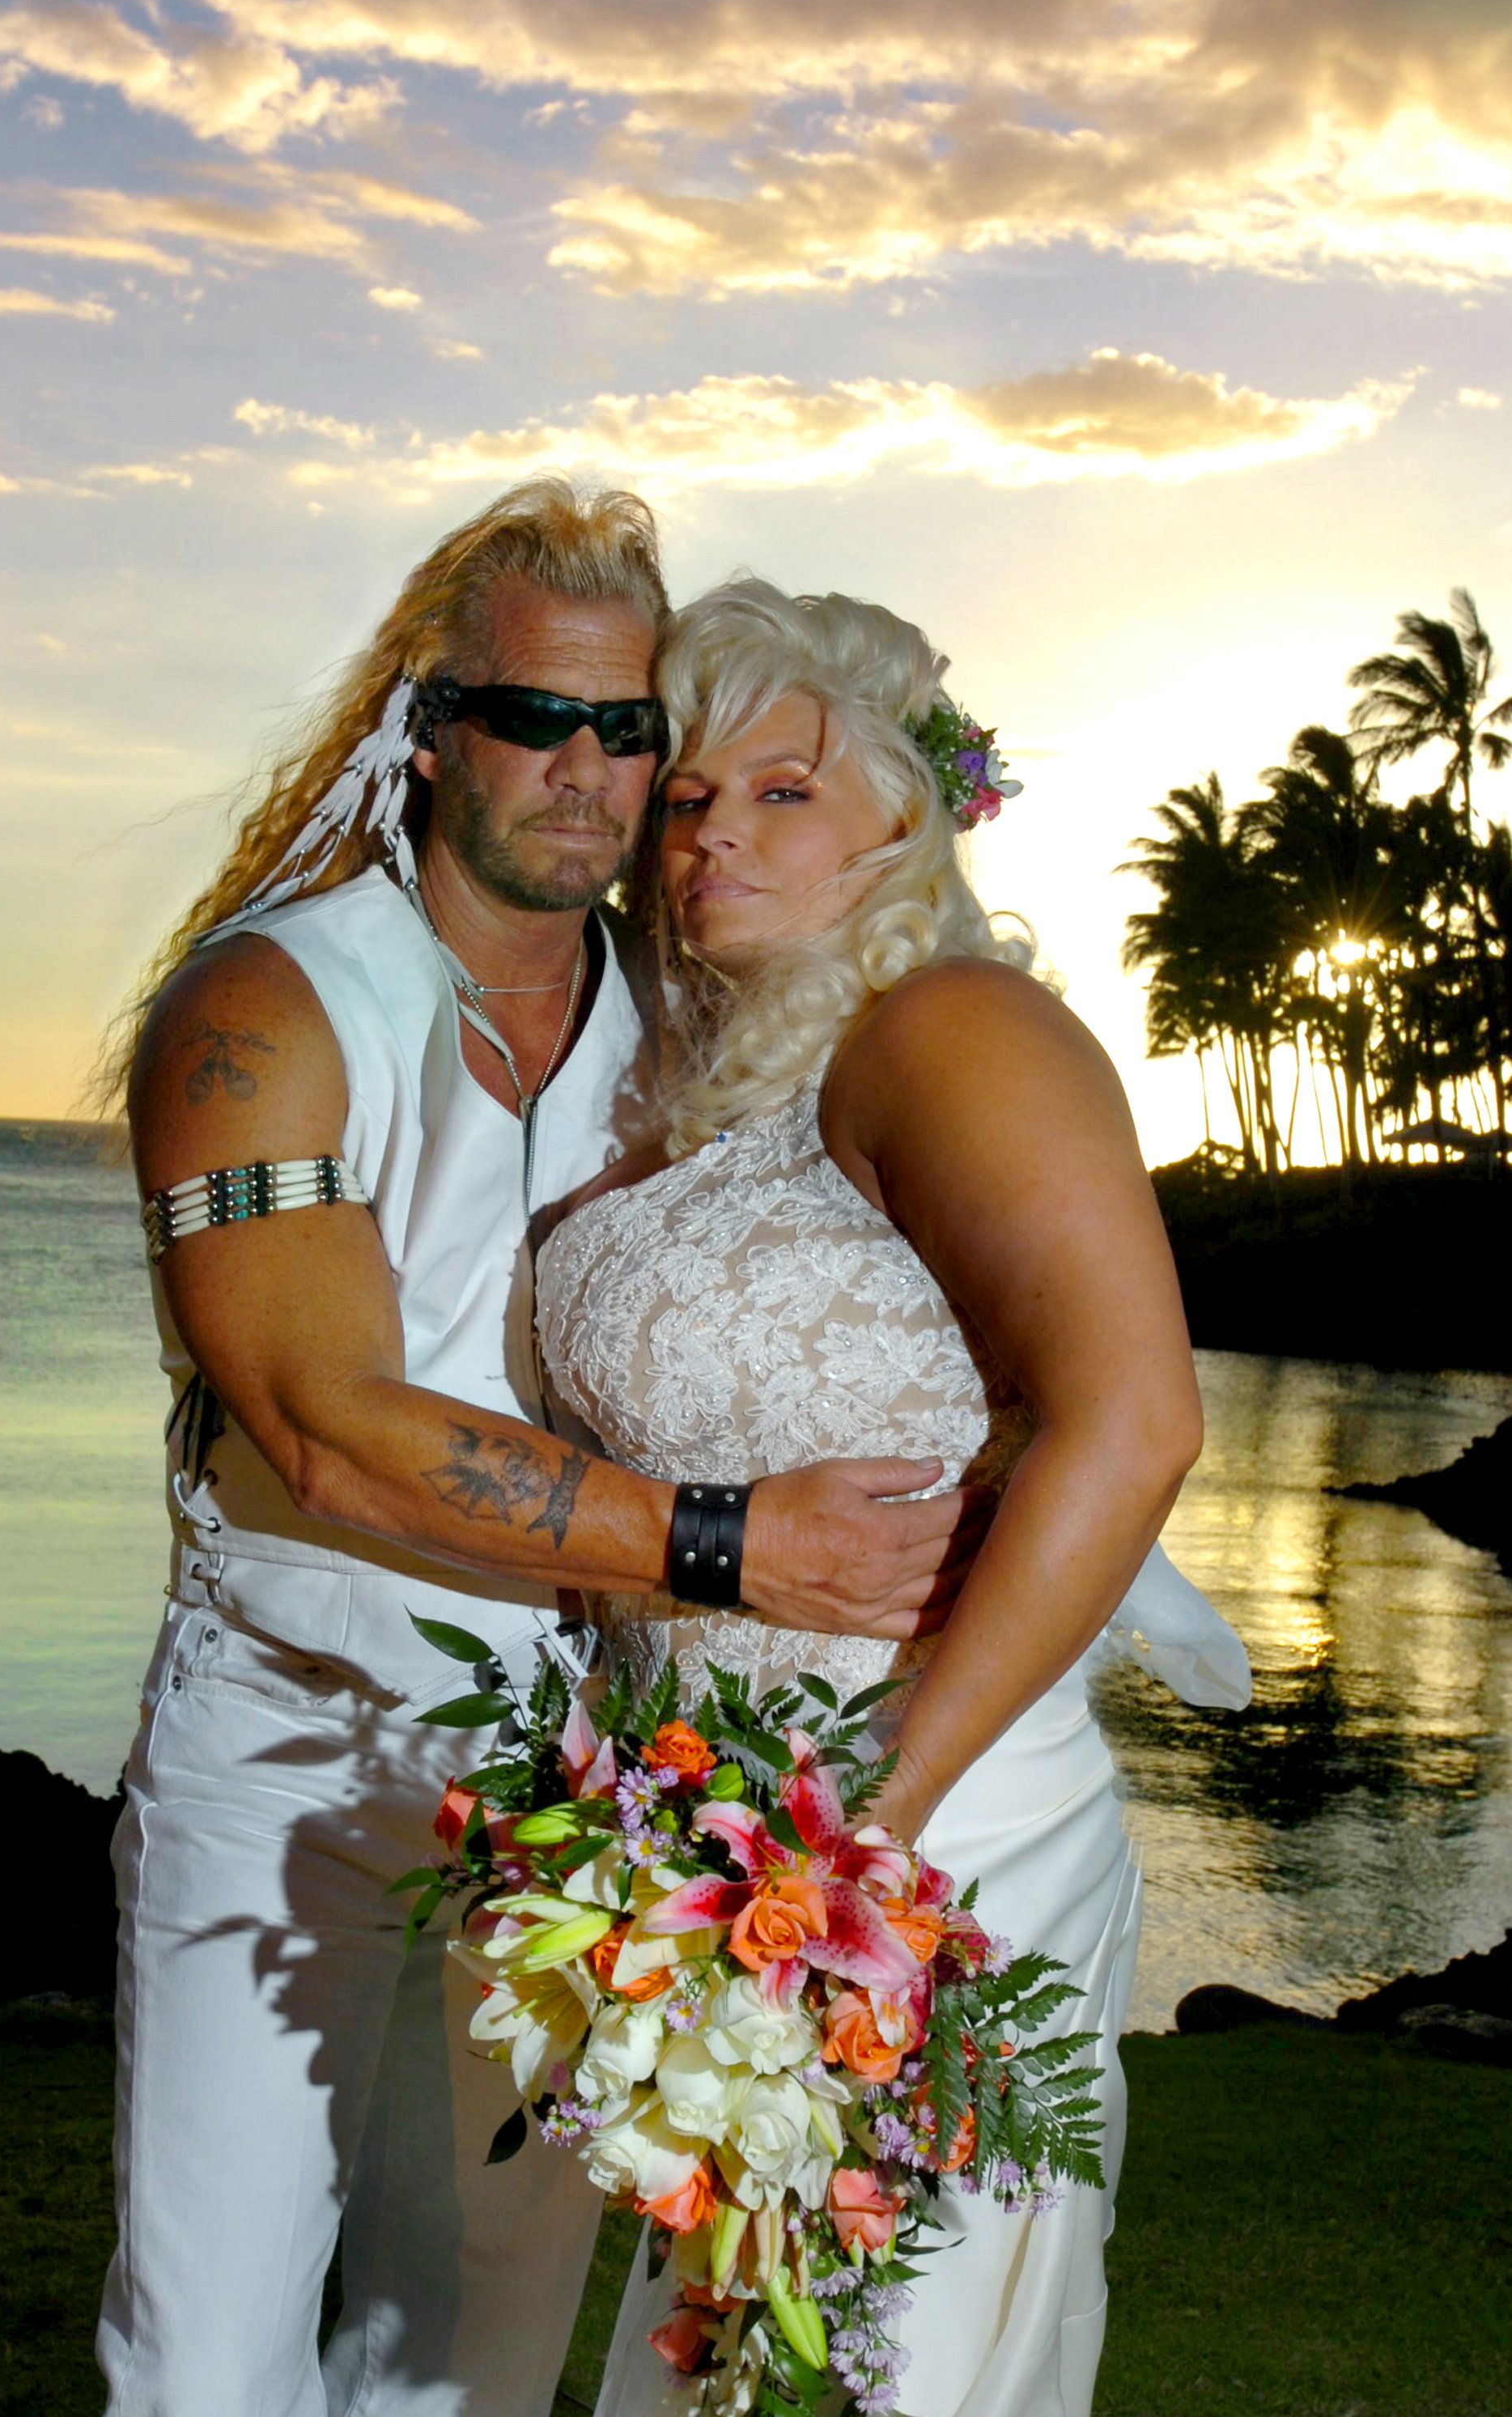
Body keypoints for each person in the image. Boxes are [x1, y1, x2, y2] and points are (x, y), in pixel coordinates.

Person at [103, 485, 970, 2417]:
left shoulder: (686, 1015)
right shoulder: (262, 1010)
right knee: (210, 2330)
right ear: (432, 723)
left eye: (629, 725)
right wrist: (733, 1542)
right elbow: (330, 1428)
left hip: (573, 1771)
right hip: (292, 1751)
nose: (587, 768)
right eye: (533, 716)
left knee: (477, 2326)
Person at [535, 578, 1251, 2417]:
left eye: (782, 791)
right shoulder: (687, 1103)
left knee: (890, 2369)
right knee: (735, 2359)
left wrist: (869, 1827)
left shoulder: (950, 1029)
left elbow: (1134, 1420)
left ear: (901, 822)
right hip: (712, 1845)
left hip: (922, 1833)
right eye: (687, 801)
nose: (710, 839)